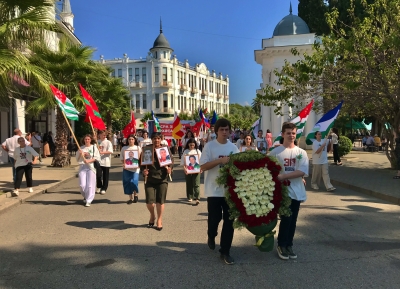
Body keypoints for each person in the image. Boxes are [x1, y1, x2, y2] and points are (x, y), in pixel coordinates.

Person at [200, 118, 240, 265]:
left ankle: (225, 251)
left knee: (229, 222)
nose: (224, 132)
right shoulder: (210, 147)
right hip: (213, 191)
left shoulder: (234, 148)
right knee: (214, 219)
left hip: (229, 191)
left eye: (227, 129)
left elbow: (238, 168)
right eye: (221, 129)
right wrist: (220, 161)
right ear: (216, 131)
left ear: (230, 131)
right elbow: (202, 166)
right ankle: (211, 234)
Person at [269, 122, 309, 261]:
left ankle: (289, 245)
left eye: (293, 133)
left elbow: (302, 170)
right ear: (282, 134)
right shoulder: (275, 152)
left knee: (293, 220)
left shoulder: (301, 152)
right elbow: (269, 171)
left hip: (297, 191)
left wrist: (285, 176)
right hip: (283, 192)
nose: (291, 135)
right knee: (286, 219)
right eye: (288, 133)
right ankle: (281, 245)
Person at [141, 132, 173, 231]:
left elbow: (171, 161)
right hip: (149, 178)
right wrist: (143, 171)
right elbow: (140, 162)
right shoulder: (147, 149)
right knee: (150, 202)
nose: (156, 140)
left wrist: (170, 169)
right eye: (154, 138)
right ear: (152, 139)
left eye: (158, 138)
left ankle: (159, 219)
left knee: (160, 200)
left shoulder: (165, 149)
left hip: (162, 178)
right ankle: (152, 215)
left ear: (161, 139)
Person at [76, 135, 101, 207]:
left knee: (90, 185)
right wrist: (81, 154)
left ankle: (89, 200)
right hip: (83, 167)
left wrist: (89, 160)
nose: (87, 140)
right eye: (85, 139)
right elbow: (77, 159)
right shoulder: (81, 148)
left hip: (91, 167)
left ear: (90, 140)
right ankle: (86, 196)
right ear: (84, 140)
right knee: (82, 185)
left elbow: (97, 157)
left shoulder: (93, 147)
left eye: (88, 139)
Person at [121, 135, 141, 204]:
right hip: (127, 169)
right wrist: (124, 164)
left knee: (134, 182)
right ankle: (130, 198)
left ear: (134, 140)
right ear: (127, 140)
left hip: (135, 169)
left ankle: (135, 194)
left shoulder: (138, 148)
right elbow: (122, 158)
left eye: (132, 139)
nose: (131, 140)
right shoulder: (124, 148)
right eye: (129, 139)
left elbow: (141, 158)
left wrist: (139, 164)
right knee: (127, 182)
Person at [181, 138, 202, 204]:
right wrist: (184, 169)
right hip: (188, 170)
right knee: (189, 183)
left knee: (196, 184)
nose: (192, 146)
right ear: (188, 145)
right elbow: (183, 162)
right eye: (190, 145)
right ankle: (190, 197)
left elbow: (201, 161)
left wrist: (201, 168)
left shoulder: (198, 151)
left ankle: (197, 197)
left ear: (195, 145)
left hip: (196, 169)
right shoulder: (185, 151)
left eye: (193, 145)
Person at [96, 131, 113, 195]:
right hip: (98, 161)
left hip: (106, 161)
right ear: (99, 135)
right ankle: (99, 186)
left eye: (105, 135)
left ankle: (104, 188)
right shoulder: (97, 142)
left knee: (105, 176)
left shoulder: (108, 142)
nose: (104, 136)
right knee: (98, 175)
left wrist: (102, 152)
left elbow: (110, 151)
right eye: (102, 135)